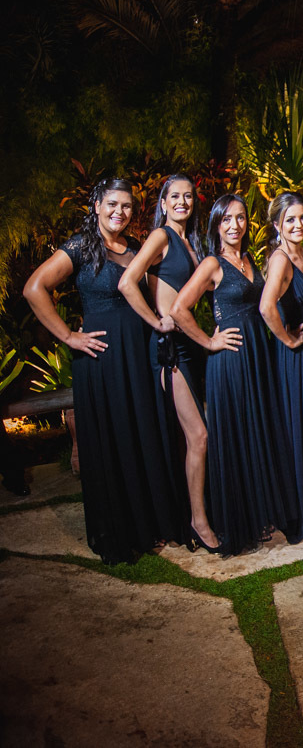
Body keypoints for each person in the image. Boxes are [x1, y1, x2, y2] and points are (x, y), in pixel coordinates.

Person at [24, 178, 183, 563]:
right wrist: (69, 337)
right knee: (113, 439)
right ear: (96, 205)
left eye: (127, 206)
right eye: (112, 204)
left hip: (138, 353)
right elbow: (34, 288)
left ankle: (150, 522)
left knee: (140, 432)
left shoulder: (133, 249)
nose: (119, 212)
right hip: (103, 358)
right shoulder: (80, 246)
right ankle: (121, 529)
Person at [171, 194, 301, 554]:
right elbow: (180, 308)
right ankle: (237, 520)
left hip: (257, 356)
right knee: (237, 435)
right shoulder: (213, 263)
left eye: (240, 218)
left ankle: (262, 513)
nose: (235, 225)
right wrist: (207, 343)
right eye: (227, 219)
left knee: (258, 431)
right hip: (230, 360)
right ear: (216, 225)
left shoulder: (248, 259)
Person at [117, 173, 213, 548]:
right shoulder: (161, 237)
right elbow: (127, 282)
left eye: (188, 197)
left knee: (199, 435)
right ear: (163, 202)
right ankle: (198, 522)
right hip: (169, 349)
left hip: (192, 345)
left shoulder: (193, 244)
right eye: (175, 196)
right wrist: (156, 320)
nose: (182, 202)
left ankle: (200, 510)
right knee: (198, 436)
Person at [258, 192, 303, 539]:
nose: (298, 224)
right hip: (292, 358)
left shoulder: (302, 253)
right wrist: (287, 340)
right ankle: (300, 515)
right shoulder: (281, 258)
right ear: (277, 224)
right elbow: (267, 307)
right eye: (291, 219)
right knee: (297, 432)